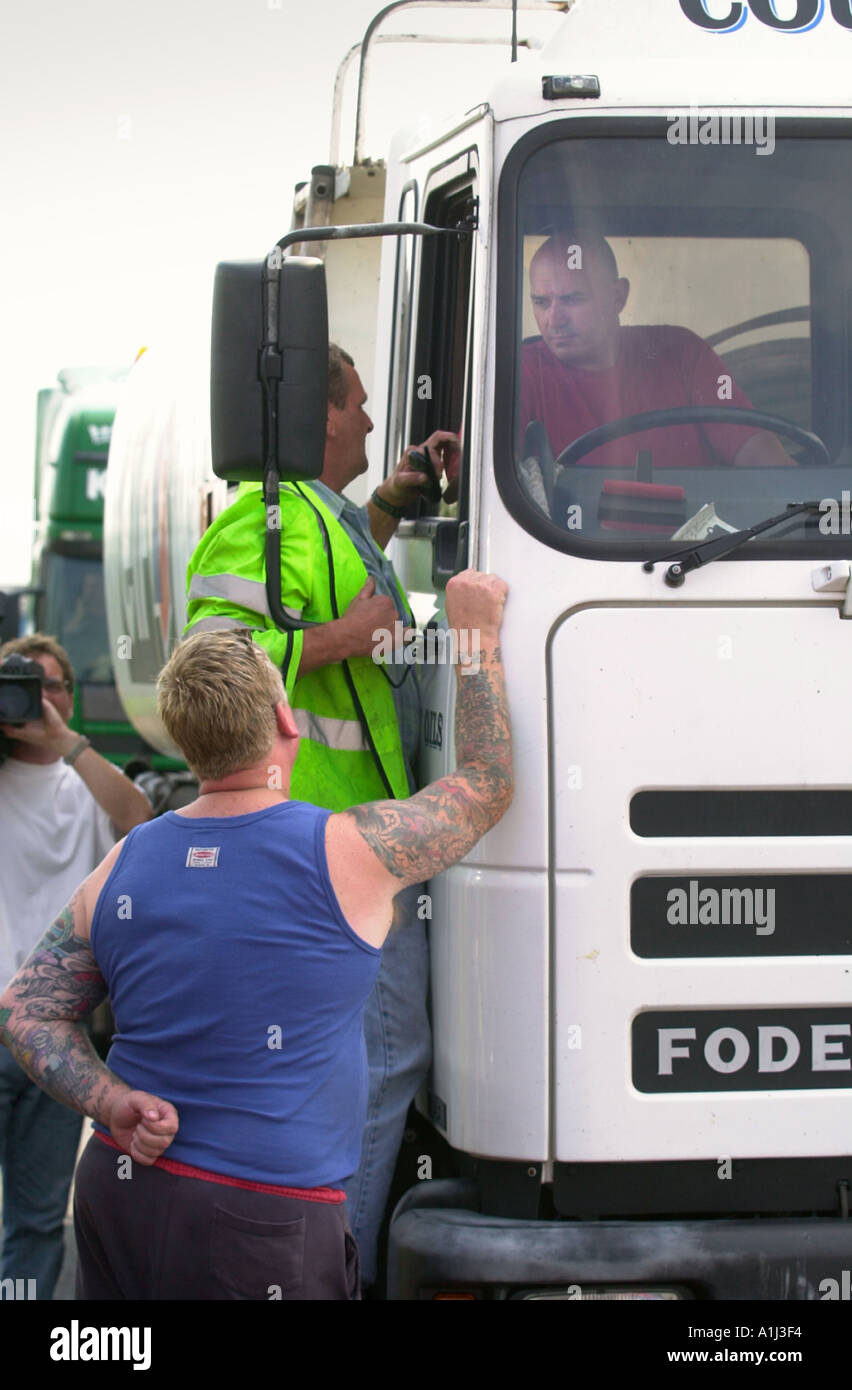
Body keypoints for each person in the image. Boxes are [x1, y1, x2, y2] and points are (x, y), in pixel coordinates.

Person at [0, 570, 511, 1300]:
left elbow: (24, 1009)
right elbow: (487, 784)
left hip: (120, 1197)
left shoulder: (127, 860)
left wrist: (111, 1102)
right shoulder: (351, 850)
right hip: (266, 1219)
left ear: (184, 739)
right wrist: (477, 636)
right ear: (287, 719)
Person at [183, 342, 460, 1288]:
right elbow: (209, 668)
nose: (374, 423)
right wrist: (344, 639)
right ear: (319, 413)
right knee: (380, 1066)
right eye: (360, 406)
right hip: (314, 850)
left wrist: (391, 503)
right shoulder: (261, 517)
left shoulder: (316, 515)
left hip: (340, 842)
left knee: (359, 1069)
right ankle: (327, 1269)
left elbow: (333, 582)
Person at [0, 633, 152, 1300]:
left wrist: (63, 739)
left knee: (37, 1220)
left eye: (52, 684)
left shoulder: (85, 783)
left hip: (55, 1035)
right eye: (22, 684)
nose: (39, 697)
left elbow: (138, 817)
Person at [521, 233, 796, 471]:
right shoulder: (522, 374)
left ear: (617, 297)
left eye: (573, 299)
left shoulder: (681, 353)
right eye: (541, 302)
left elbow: (769, 467)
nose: (554, 319)